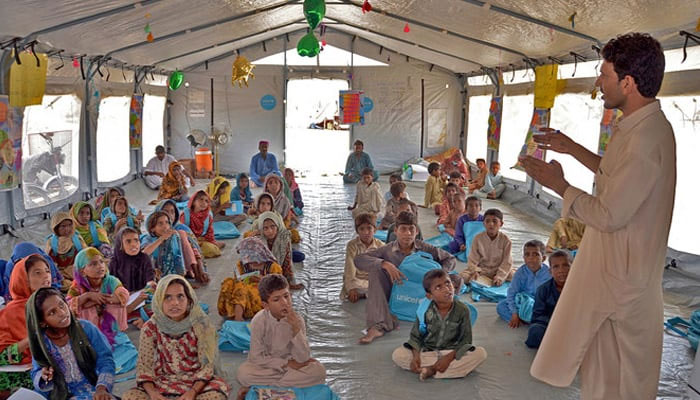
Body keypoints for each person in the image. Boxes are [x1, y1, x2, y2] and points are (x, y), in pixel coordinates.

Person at [521, 33, 675, 399]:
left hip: (626, 281)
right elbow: (615, 176)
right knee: (601, 373)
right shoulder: (636, 125)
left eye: (603, 75)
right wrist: (571, 148)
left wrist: (558, 185)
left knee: (626, 381)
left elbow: (608, 214)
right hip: (615, 270)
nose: (597, 84)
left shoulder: (646, 138)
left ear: (628, 82)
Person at [355, 211, 456, 344]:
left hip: (421, 292)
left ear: (417, 231)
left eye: (411, 229)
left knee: (454, 280)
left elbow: (450, 259)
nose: (408, 233)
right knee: (376, 271)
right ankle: (378, 325)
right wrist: (384, 263)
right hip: (398, 290)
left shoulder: (424, 248)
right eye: (403, 229)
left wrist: (439, 276)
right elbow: (359, 259)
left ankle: (437, 316)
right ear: (395, 231)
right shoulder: (387, 250)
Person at [122, 275, 230, 400]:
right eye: (167, 297)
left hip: (197, 381)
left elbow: (207, 366)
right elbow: (144, 366)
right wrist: (153, 393)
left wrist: (193, 392)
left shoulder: (201, 325)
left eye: (180, 296)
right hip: (163, 380)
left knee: (215, 397)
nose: (175, 303)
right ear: (158, 301)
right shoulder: (150, 328)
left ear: (189, 300)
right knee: (130, 397)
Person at [236, 274, 326, 397]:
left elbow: (303, 358)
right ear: (266, 305)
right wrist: (286, 364)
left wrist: (296, 331)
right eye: (276, 299)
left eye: (286, 296)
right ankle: (281, 387)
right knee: (244, 373)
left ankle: (265, 388)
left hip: (291, 366)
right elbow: (256, 357)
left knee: (318, 372)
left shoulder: (297, 320)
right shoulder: (259, 321)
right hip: (268, 365)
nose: (285, 303)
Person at [392, 269, 487, 380]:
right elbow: (415, 337)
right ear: (429, 296)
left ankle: (430, 369)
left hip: (451, 353)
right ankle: (440, 370)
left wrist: (449, 357)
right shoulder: (424, 310)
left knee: (480, 354)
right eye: (438, 287)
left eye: (448, 283)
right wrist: (416, 356)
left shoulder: (463, 310)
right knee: (398, 355)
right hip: (428, 352)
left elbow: (466, 341)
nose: (447, 289)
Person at [27, 287, 116, 400]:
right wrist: (44, 376)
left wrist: (102, 388)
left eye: (62, 305)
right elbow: (36, 371)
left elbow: (105, 359)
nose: (62, 313)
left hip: (93, 388)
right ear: (42, 322)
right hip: (58, 394)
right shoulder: (42, 343)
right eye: (52, 312)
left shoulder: (86, 328)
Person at [0, 255, 53, 394]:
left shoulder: (55, 303)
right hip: (24, 374)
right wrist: (32, 338)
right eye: (37, 273)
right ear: (22, 279)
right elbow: (3, 357)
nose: (46, 276)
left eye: (47, 271)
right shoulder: (9, 314)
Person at [67, 247, 129, 345]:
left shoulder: (111, 281)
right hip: (89, 332)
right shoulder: (77, 286)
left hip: (111, 328)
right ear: (82, 271)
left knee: (118, 303)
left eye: (101, 262)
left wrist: (95, 301)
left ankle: (114, 334)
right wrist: (88, 296)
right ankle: (92, 336)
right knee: (81, 307)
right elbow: (68, 305)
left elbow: (124, 295)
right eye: (93, 264)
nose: (100, 266)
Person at [218, 236, 283, 320]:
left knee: (241, 289)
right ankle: (232, 311)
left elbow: (279, 287)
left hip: (260, 294)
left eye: (253, 258)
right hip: (241, 291)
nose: (251, 262)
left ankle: (238, 316)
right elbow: (238, 279)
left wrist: (263, 280)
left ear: (260, 254)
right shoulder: (242, 265)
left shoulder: (272, 267)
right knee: (228, 283)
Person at [497, 240, 551, 327]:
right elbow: (512, 293)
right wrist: (514, 313)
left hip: (540, 305)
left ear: (543, 258)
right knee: (501, 306)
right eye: (527, 254)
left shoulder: (549, 273)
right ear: (523, 257)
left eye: (535, 254)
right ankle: (529, 320)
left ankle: (528, 320)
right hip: (523, 303)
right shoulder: (520, 273)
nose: (531, 258)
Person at [526, 250, 572, 349]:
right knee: (535, 331)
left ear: (573, 267)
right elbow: (537, 316)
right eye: (556, 266)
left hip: (573, 325)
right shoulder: (543, 290)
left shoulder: (580, 289)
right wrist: (554, 324)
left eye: (565, 265)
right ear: (550, 271)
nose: (561, 270)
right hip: (550, 325)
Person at [110, 227, 154, 328]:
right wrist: (127, 296)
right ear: (120, 245)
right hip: (124, 299)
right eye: (128, 241)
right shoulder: (115, 262)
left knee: (157, 296)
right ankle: (143, 319)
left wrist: (144, 293)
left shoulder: (144, 258)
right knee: (111, 308)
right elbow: (111, 287)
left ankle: (141, 318)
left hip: (143, 295)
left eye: (136, 240)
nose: (134, 244)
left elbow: (150, 282)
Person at [152, 201, 207, 282]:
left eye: (172, 212)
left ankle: (194, 270)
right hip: (161, 270)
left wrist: (200, 268)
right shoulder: (152, 234)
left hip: (186, 265)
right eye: (165, 212)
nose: (170, 215)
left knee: (181, 234)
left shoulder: (181, 227)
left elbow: (193, 246)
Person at [460, 208, 513, 286]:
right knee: (462, 277)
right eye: (487, 221)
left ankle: (496, 280)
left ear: (501, 224)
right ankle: (480, 279)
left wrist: (500, 276)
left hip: (498, 270)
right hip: (482, 270)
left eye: (494, 221)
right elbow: (472, 259)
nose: (491, 224)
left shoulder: (506, 241)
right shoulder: (477, 238)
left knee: (514, 275)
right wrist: (475, 271)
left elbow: (507, 262)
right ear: (484, 223)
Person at [341, 213, 384, 303]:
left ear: (375, 230)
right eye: (361, 229)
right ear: (357, 231)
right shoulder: (352, 245)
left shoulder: (381, 246)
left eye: (369, 228)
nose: (366, 232)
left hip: (373, 280)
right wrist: (351, 288)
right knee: (350, 285)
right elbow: (349, 268)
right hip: (357, 280)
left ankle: (365, 294)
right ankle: (366, 293)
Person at [258, 211, 304, 291]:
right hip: (264, 272)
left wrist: (288, 282)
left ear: (278, 226)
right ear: (261, 229)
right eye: (265, 228)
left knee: (299, 256)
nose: (270, 231)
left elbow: (287, 263)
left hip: (279, 269)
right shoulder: (259, 240)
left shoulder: (284, 238)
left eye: (273, 226)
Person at [45, 212, 87, 292]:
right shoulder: (52, 242)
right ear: (56, 227)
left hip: (77, 269)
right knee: (60, 283)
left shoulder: (77, 238)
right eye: (63, 226)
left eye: (69, 225)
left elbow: (85, 254)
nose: (67, 229)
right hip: (61, 272)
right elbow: (51, 263)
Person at [181, 190, 225, 258]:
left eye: (206, 201)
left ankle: (195, 252)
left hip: (201, 240)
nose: (204, 203)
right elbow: (181, 232)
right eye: (201, 199)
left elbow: (209, 233)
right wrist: (194, 242)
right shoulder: (185, 215)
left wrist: (211, 242)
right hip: (188, 241)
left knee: (214, 250)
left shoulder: (208, 216)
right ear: (193, 202)